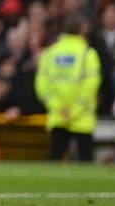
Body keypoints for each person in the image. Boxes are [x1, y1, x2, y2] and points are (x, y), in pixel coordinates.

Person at [35, 13, 102, 162]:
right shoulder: (88, 54)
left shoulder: (49, 53)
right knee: (85, 161)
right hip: (82, 117)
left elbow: (42, 86)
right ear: (82, 30)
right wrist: (76, 110)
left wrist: (59, 108)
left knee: (55, 157)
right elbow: (91, 86)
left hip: (59, 115)